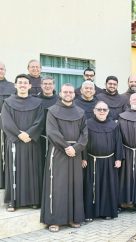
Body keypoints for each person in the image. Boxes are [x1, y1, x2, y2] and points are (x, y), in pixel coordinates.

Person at [40, 83, 88, 232]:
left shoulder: (80, 112)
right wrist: (66, 147)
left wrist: (76, 148)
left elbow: (84, 134)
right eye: (65, 92)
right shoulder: (52, 111)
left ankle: (73, 218)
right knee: (58, 186)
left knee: (75, 186)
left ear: (74, 94)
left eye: (70, 92)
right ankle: (55, 220)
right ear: (60, 93)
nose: (68, 94)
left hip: (75, 153)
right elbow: (52, 132)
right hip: (59, 152)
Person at [1, 74, 44, 211]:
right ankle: (13, 202)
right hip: (15, 142)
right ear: (15, 85)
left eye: (25, 83)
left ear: (30, 86)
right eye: (20, 82)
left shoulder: (37, 103)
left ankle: (34, 200)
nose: (23, 85)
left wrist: (30, 134)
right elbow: (6, 122)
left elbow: (40, 121)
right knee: (14, 170)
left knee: (33, 171)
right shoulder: (8, 102)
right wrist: (19, 134)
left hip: (32, 142)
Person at [83, 101, 123, 221]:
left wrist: (118, 158)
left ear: (108, 111)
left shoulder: (114, 125)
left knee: (108, 186)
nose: (101, 112)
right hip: (91, 160)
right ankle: (90, 213)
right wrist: (83, 157)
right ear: (94, 111)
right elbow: (83, 142)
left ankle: (107, 212)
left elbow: (118, 142)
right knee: (91, 187)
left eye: (104, 110)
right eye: (99, 109)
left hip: (109, 161)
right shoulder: (87, 123)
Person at [37, 76, 59, 177]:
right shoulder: (35, 100)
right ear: (41, 85)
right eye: (45, 84)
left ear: (54, 86)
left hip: (54, 139)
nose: (47, 86)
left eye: (50, 84)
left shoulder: (59, 100)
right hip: (38, 138)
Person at [0, 62, 15, 189]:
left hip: (8, 123)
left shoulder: (11, 87)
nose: (0, 70)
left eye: (2, 68)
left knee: (7, 151)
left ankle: (6, 180)